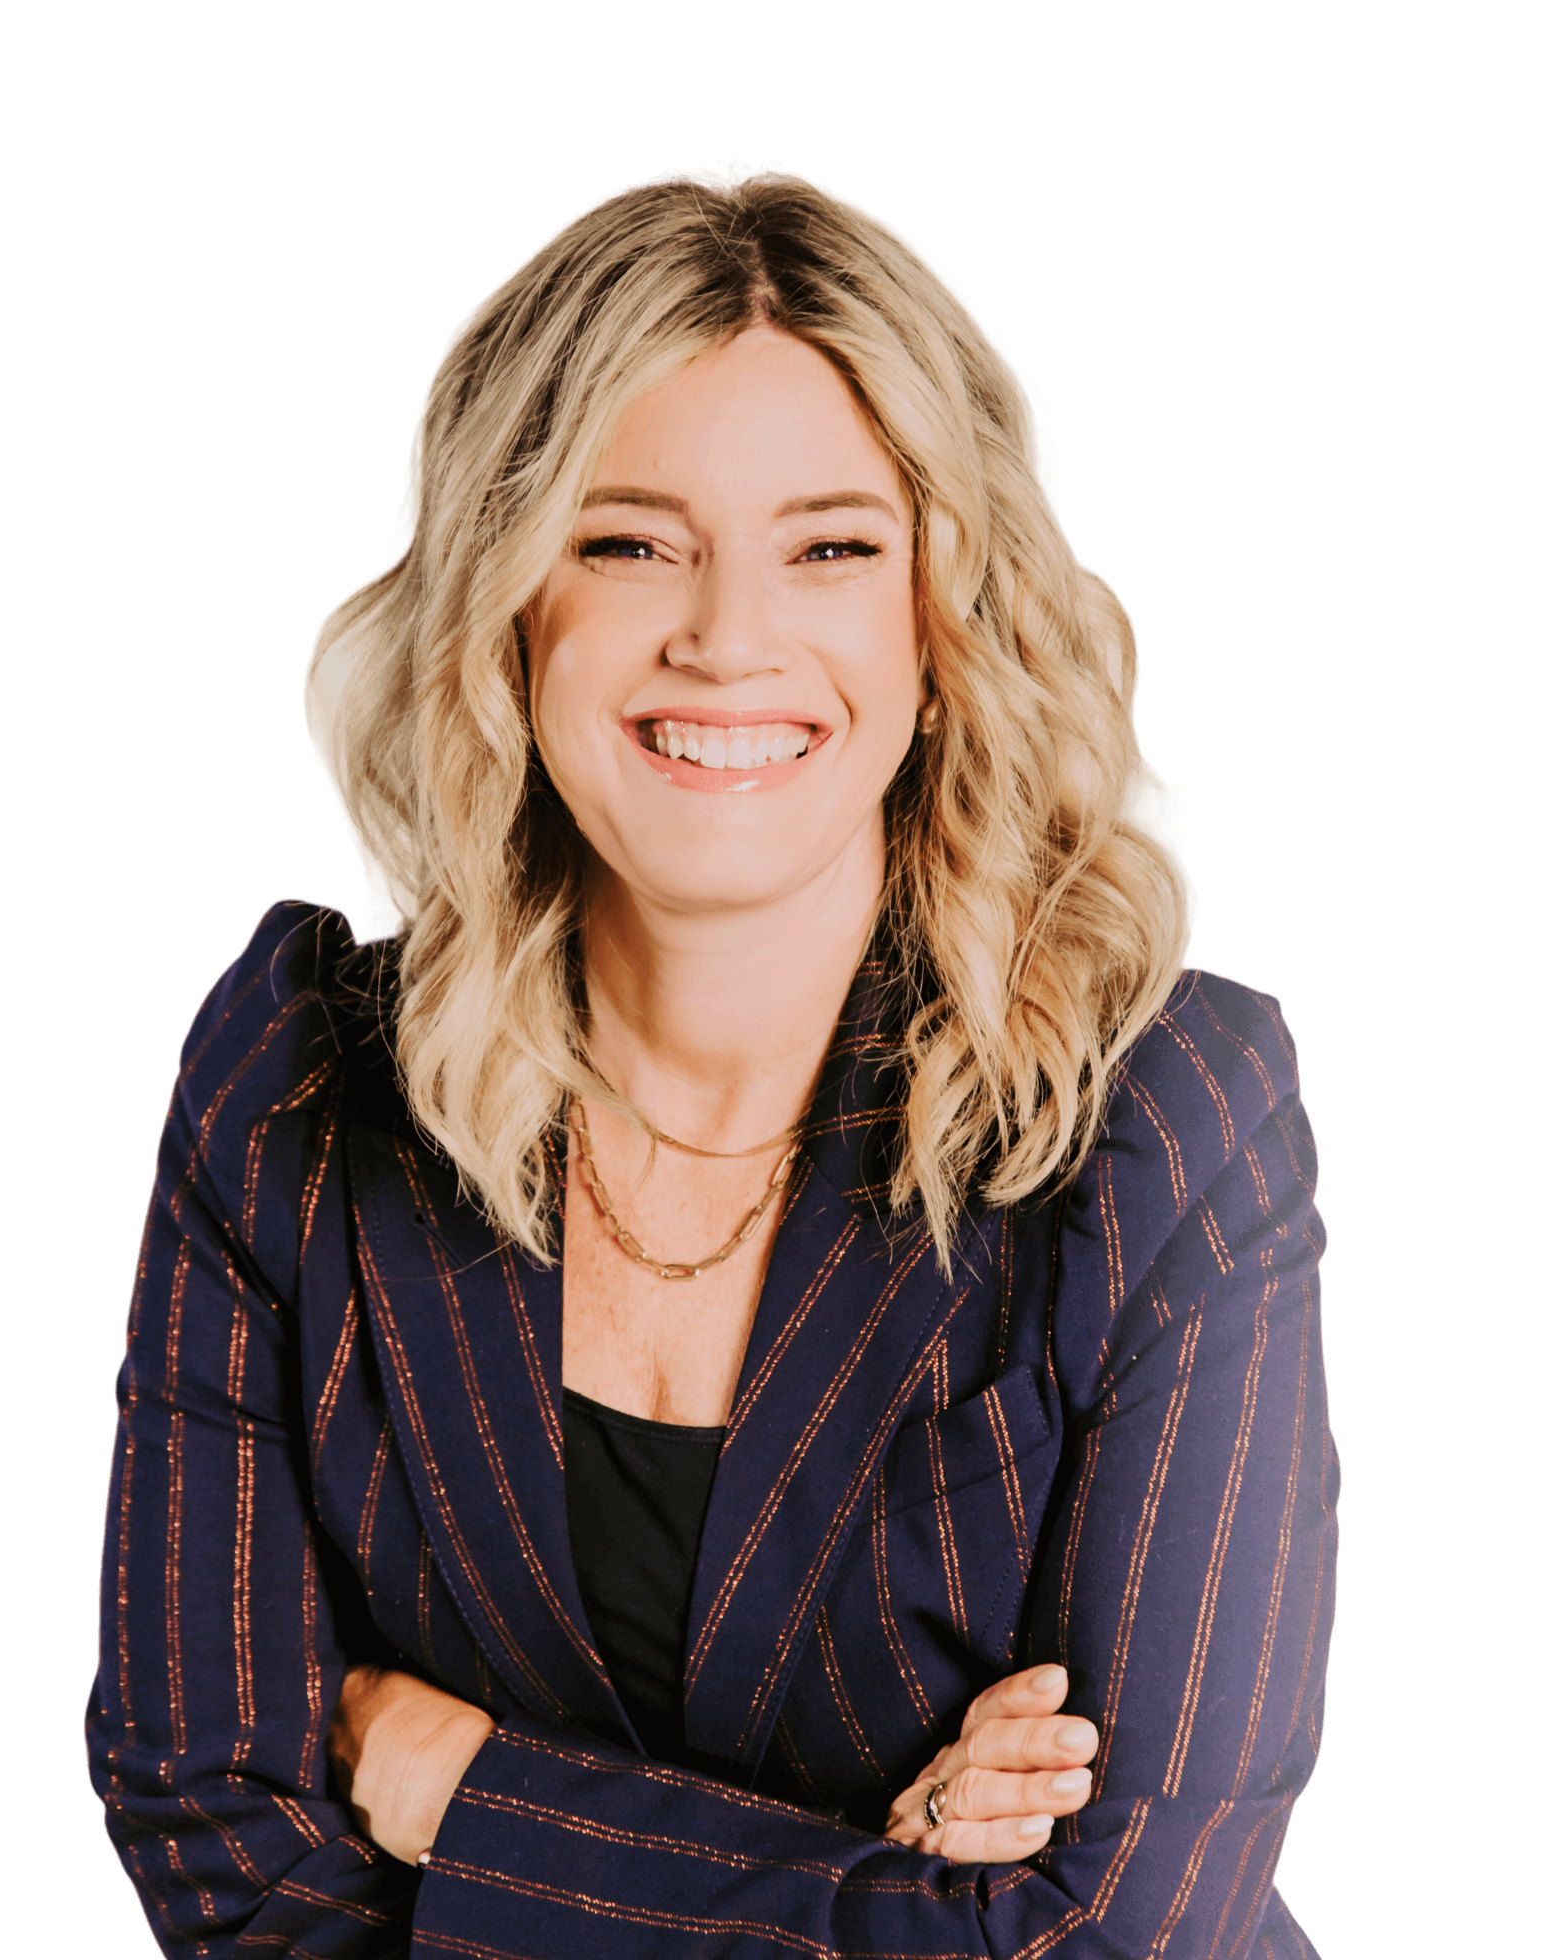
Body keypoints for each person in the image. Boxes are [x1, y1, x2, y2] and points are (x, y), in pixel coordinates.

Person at [87, 166, 1334, 1957]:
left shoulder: (1168, 1122)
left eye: (832, 545)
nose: (727, 636)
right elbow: (210, 1832)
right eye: (627, 540)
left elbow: (1108, 1938)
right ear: (505, 602)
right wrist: (886, 1902)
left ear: (943, 613)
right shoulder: (284, 1079)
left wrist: (452, 1791)